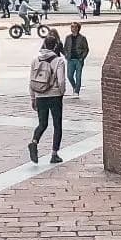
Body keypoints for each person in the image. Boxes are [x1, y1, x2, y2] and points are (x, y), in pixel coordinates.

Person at [27, 33, 68, 164]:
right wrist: (61, 92)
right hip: (55, 95)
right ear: (55, 46)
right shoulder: (59, 61)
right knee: (57, 125)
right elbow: (61, 81)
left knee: (42, 123)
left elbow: (31, 80)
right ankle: (54, 154)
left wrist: (33, 97)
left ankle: (34, 142)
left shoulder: (35, 60)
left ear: (44, 45)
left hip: (40, 95)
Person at [63, 22, 90, 97]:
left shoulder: (82, 38)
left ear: (78, 28)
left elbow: (86, 49)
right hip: (70, 59)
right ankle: (74, 87)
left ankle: (76, 91)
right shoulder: (68, 37)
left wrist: (82, 57)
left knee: (78, 76)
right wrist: (66, 55)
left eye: (75, 27)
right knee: (69, 75)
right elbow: (65, 48)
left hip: (78, 60)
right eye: (72, 27)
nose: (73, 28)